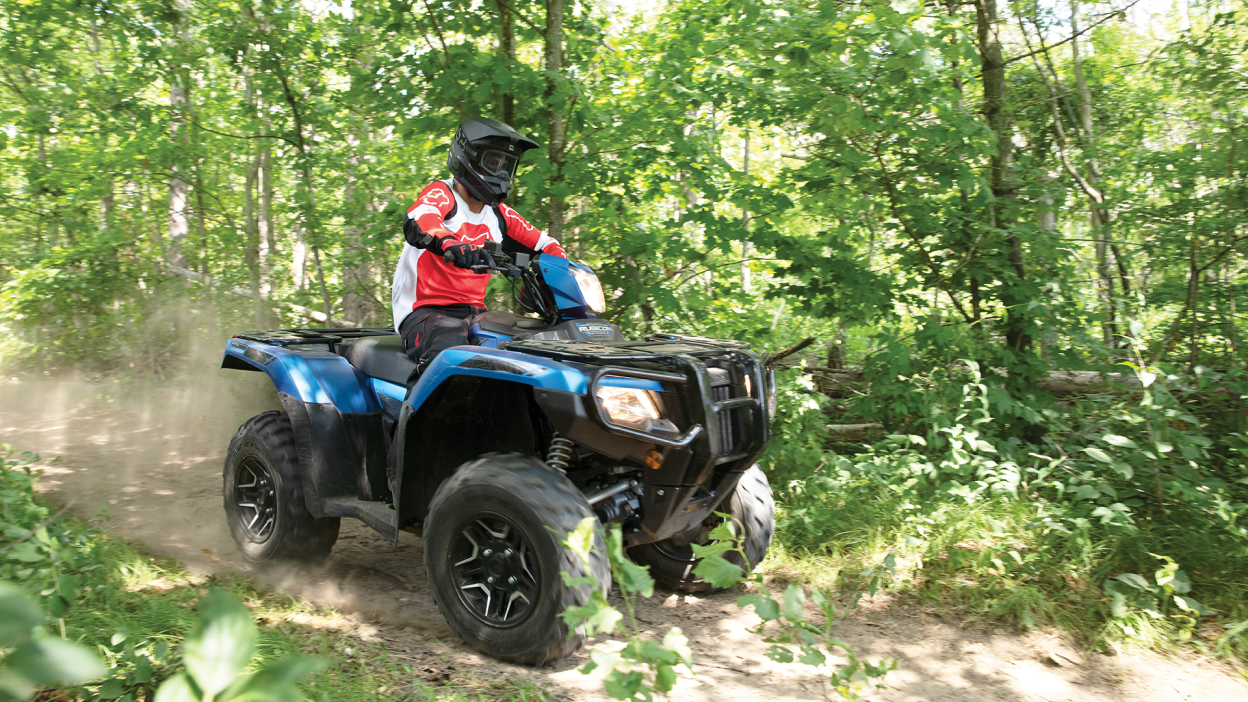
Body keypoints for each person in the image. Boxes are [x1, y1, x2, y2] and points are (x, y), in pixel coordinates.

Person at [392, 117, 566, 389]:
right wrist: (450, 243)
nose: (500, 171)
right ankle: (417, 423)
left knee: (526, 353)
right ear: (467, 157)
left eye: (506, 165)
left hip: (474, 313)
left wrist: (560, 274)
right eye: (492, 161)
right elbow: (422, 217)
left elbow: (546, 244)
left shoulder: (499, 215)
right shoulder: (443, 194)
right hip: (425, 312)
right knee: (450, 358)